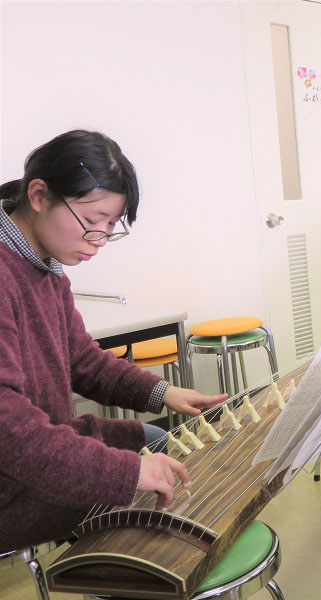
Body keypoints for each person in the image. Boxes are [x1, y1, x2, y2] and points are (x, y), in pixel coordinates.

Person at [0, 130, 227, 552]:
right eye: (90, 222)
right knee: (152, 486)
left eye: (110, 227)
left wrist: (164, 392)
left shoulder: (44, 266)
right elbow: (8, 429)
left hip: (41, 448)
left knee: (160, 442)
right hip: (11, 478)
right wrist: (124, 474)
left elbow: (81, 360)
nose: (100, 241)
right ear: (38, 195)